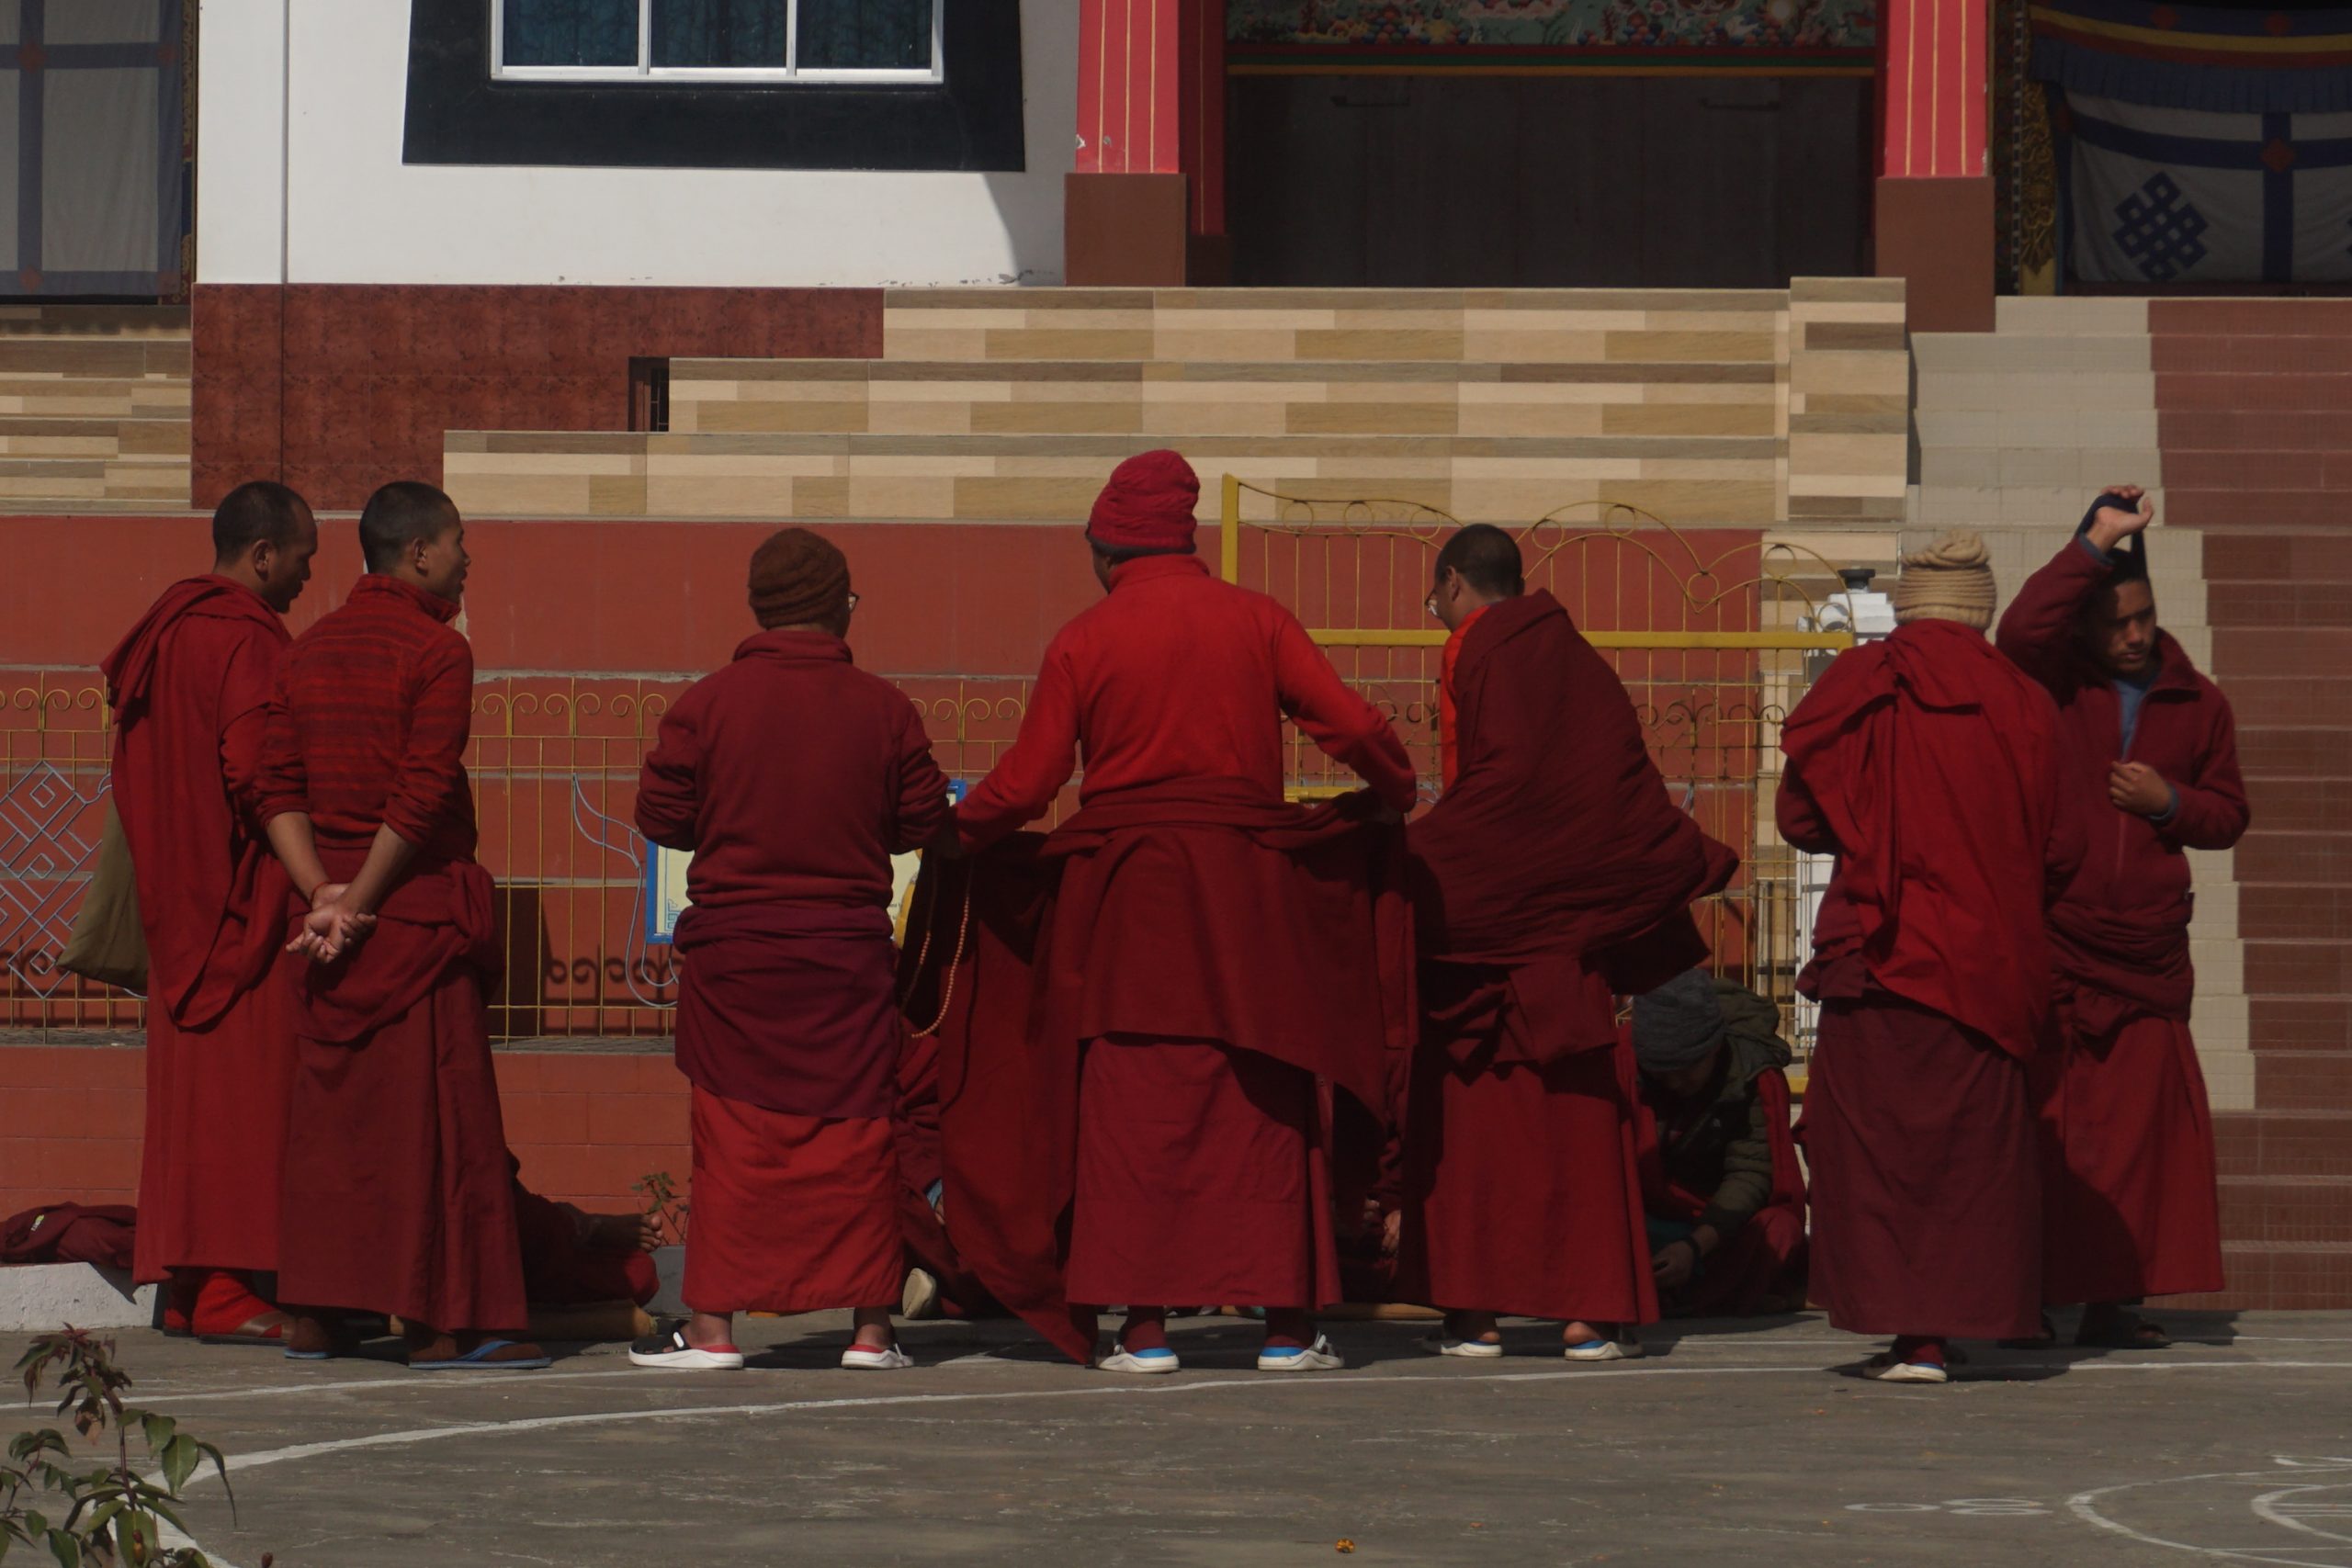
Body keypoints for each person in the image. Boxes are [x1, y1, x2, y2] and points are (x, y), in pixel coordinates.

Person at [952, 448, 1417, 1374]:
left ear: (1103, 547)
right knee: (1263, 1093)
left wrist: (957, 829)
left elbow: (1031, 781)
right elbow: (1356, 727)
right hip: (1246, 896)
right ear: (1187, 539)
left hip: (1127, 903)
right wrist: (1391, 789)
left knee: (1131, 1098)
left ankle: (1146, 1329)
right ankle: (1285, 1327)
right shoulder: (1257, 620)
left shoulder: (1086, 638)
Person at [1397, 524, 1737, 1361]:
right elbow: (1614, 785)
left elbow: (1494, 786)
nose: (1433, 612)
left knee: (1473, 1123)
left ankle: (1473, 1310)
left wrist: (1417, 860)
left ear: (1451, 586)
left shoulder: (1480, 646)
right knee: (1575, 1127)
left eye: (1432, 598)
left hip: (1491, 915)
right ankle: (1588, 1311)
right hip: (1567, 928)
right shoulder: (1580, 659)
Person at [629, 528, 953, 1372]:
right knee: (857, 1138)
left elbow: (660, 816)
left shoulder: (708, 704)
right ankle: (871, 1331)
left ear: (759, 608)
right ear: (840, 606)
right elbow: (924, 819)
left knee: (736, 1142)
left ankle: (713, 1330)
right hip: (843, 959)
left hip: (739, 960)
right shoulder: (883, 708)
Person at [1779, 531, 2080, 1384]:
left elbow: (1800, 821)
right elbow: (2062, 849)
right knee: (1970, 1155)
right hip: (1983, 960)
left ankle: (1911, 1335)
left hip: (1877, 953)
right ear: (1981, 613)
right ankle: (1951, 1326)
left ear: (1908, 605)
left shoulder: (1860, 683)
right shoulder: (2023, 702)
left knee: (1875, 1145)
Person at [257, 480, 545, 1371]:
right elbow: (419, 798)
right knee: (436, 1129)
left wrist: (321, 896)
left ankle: (318, 1311)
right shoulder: (435, 650)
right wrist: (364, 900)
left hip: (330, 931)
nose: (468, 559)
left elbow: (275, 786)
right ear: (418, 553)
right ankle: (441, 1320)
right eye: (459, 543)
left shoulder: (304, 650)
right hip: (408, 914)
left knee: (336, 1134)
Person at [1996, 487, 2247, 1348]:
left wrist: (2168, 800)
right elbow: (2021, 629)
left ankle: (2116, 1301)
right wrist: (2095, 543)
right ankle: (2025, 1296)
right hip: (2058, 938)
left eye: (2143, 617)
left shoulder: (2198, 701)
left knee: (2139, 1143)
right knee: (2051, 1134)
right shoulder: (2057, 683)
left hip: (2142, 950)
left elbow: (2228, 816)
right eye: (2115, 622)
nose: (2134, 635)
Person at [100, 480, 319, 1344]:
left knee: (192, 1106)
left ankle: (191, 1285)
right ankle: (228, 1286)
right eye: (302, 558)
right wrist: (314, 881)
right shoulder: (246, 641)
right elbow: (260, 772)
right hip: (243, 906)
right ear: (262, 555)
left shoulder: (163, 635)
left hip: (177, 902)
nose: (306, 577)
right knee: (247, 1101)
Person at [1630, 970, 1807, 1319]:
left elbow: (1751, 1172)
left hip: (1717, 1224)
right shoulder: (1625, 1063)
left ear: (1715, 1046)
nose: (1676, 1083)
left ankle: (1681, 1293)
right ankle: (1711, 1294)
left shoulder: (1752, 1072)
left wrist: (1694, 1246)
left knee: (1777, 1231)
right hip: (1643, 1217)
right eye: (1663, 1074)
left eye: (1687, 1070)